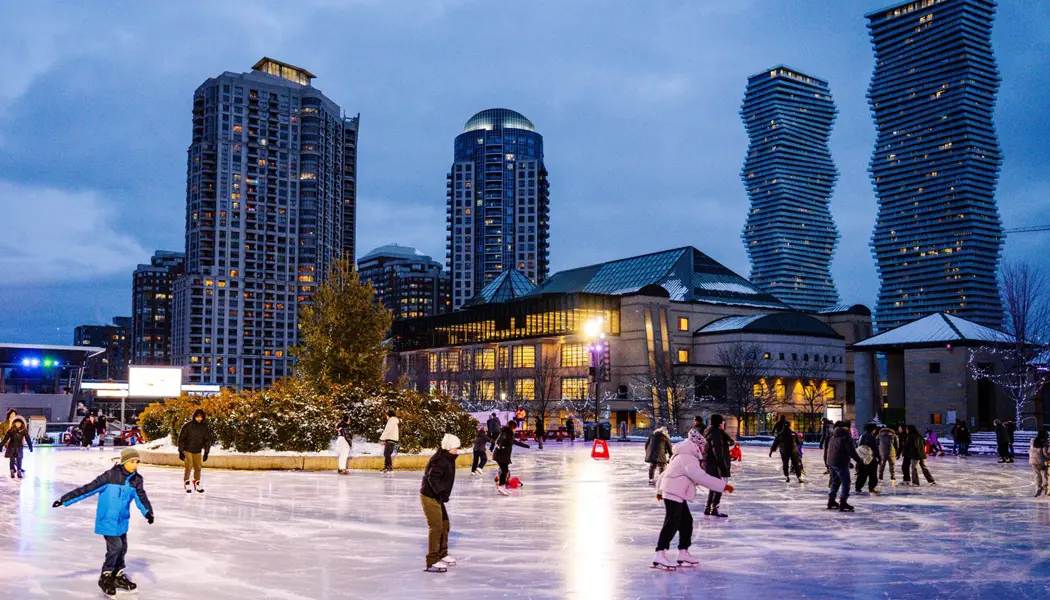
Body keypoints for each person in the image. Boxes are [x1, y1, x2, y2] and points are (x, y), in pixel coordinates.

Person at [53, 447, 155, 596]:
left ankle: (117, 575)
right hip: (107, 520)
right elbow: (87, 489)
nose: (135, 465)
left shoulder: (136, 480)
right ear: (124, 461)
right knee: (116, 547)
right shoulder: (110, 476)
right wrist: (64, 499)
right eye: (132, 462)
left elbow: (141, 497)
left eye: (137, 462)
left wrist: (148, 512)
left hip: (122, 521)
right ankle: (106, 576)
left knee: (123, 547)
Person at [652, 440, 734, 570]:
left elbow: (664, 473)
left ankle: (683, 553)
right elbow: (700, 476)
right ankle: (660, 553)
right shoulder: (688, 457)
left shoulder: (681, 455)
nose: (704, 449)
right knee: (672, 523)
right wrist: (722, 486)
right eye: (702, 446)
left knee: (686, 522)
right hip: (674, 492)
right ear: (696, 446)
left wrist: (659, 491)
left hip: (674, 492)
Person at [420, 434, 460, 573]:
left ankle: (442, 554)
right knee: (436, 527)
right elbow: (432, 477)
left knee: (445, 525)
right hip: (430, 496)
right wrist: (441, 492)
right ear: (449, 447)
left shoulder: (448, 458)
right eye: (455, 447)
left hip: (438, 496)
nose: (457, 450)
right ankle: (432, 561)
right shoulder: (441, 460)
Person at [826, 421, 862, 512]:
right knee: (846, 482)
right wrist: (859, 460)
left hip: (832, 462)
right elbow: (851, 451)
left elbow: (836, 450)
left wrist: (848, 462)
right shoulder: (845, 436)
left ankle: (831, 500)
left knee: (835, 481)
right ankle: (843, 502)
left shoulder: (834, 436)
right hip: (840, 463)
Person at [703, 414, 733, 518]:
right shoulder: (715, 433)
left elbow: (728, 441)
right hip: (714, 463)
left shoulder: (710, 431)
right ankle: (714, 509)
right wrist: (723, 466)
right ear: (719, 423)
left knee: (714, 486)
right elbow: (717, 451)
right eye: (722, 422)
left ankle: (708, 508)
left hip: (709, 462)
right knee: (719, 485)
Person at [177, 409, 213, 493]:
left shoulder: (204, 427)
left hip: (197, 450)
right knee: (188, 467)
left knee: (198, 467)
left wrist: (206, 452)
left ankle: (197, 483)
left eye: (201, 417)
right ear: (194, 417)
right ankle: (187, 483)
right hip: (187, 449)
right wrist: (181, 451)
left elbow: (207, 440)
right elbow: (181, 439)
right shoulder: (187, 426)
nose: (199, 419)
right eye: (197, 417)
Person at [492, 419, 529, 496]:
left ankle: (502, 486)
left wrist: (525, 445)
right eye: (515, 427)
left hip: (503, 455)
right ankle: (500, 486)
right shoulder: (506, 433)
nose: (515, 429)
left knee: (505, 471)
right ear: (512, 427)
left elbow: (514, 441)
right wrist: (501, 447)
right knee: (504, 471)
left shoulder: (508, 433)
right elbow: (498, 441)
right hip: (500, 455)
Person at [855, 423, 880, 494]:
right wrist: (878, 458)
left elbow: (858, 447)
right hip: (870, 458)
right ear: (873, 429)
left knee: (862, 474)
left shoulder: (862, 436)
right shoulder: (871, 437)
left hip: (862, 458)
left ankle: (858, 487)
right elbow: (874, 448)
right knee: (872, 474)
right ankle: (871, 488)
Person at [1030, 429, 1050, 497]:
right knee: (1045, 475)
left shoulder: (1033, 441)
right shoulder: (1044, 442)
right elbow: (1045, 453)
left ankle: (1038, 487)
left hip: (1033, 461)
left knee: (1037, 475)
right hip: (1042, 461)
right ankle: (1046, 488)